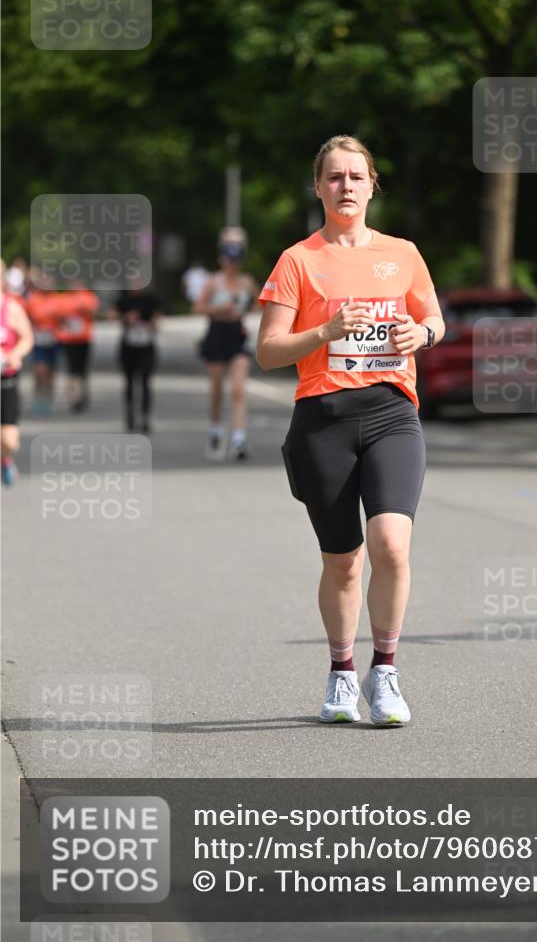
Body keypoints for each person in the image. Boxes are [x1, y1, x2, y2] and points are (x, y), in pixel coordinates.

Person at [256, 135, 445, 726]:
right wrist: (327, 330)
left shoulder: (403, 253)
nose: (346, 187)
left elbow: (433, 316)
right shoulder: (298, 260)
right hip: (324, 422)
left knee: (391, 544)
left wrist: (425, 335)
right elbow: (266, 351)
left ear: (372, 185)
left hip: (392, 413)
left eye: (356, 177)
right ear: (318, 187)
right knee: (343, 561)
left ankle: (384, 671)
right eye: (334, 177)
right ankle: (341, 675)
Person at [194, 228, 259, 460]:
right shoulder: (213, 282)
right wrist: (218, 309)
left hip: (237, 336)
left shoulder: (246, 282)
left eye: (236, 261)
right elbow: (199, 307)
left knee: (239, 389)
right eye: (229, 261)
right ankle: (215, 430)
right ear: (222, 260)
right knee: (217, 390)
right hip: (216, 335)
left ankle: (239, 440)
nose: (232, 265)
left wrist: (247, 309)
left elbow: (257, 304)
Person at [108, 285, 161, 433]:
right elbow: (111, 316)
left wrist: (150, 325)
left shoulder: (150, 299)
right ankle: (130, 415)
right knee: (129, 382)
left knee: (145, 382)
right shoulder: (123, 299)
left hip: (146, 345)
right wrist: (126, 317)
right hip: (128, 346)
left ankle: (145, 416)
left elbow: (157, 321)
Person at [1, 266, 35, 485]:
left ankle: (6, 458)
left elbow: (27, 338)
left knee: (10, 441)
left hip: (6, 378)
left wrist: (14, 355)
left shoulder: (11, 308)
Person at [55, 281, 100, 412]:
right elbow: (58, 318)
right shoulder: (64, 298)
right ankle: (74, 398)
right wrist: (64, 320)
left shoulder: (89, 296)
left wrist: (85, 310)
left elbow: (94, 314)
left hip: (84, 338)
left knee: (83, 370)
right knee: (72, 370)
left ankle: (84, 395)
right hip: (69, 339)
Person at [24, 268, 60, 414]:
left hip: (53, 340)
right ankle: (36, 399)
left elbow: (64, 320)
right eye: (44, 281)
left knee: (51, 372)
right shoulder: (33, 299)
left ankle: (49, 399)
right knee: (39, 370)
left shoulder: (58, 299)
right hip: (39, 340)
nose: (47, 284)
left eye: (49, 281)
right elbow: (26, 318)